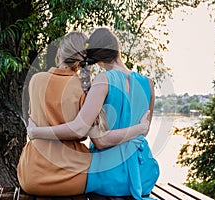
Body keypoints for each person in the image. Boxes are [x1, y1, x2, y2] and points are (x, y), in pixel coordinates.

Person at [28, 28, 160, 199]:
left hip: (110, 175)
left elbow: (100, 141)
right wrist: (139, 129)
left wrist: (35, 132)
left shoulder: (103, 81)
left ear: (95, 58)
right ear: (118, 48)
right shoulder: (148, 84)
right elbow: (145, 130)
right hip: (144, 173)